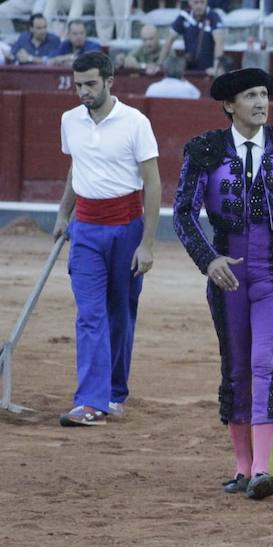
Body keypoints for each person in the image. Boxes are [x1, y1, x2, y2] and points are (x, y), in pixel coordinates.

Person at [173, 68, 273, 501]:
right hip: (228, 278)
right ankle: (242, 467)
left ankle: (262, 468)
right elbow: (183, 212)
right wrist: (208, 260)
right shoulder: (205, 150)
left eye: (264, 94)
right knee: (237, 367)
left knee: (265, 363)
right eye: (250, 95)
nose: (260, 102)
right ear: (229, 105)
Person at [52, 51, 161, 427]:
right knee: (90, 314)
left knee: (121, 313)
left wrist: (147, 243)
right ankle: (90, 400)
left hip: (127, 228)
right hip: (84, 229)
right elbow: (74, 168)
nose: (83, 91)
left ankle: (114, 392)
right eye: (78, 84)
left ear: (110, 81)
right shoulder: (70, 120)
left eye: (90, 84)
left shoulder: (135, 122)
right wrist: (63, 213)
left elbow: (153, 183)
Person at [155, 0, 225, 76]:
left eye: (202, 2)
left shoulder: (213, 16)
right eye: (196, 2)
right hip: (189, 66)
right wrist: (159, 64)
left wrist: (216, 67)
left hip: (208, 68)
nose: (199, 6)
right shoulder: (185, 16)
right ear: (190, 3)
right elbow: (169, 40)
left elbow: (219, 42)